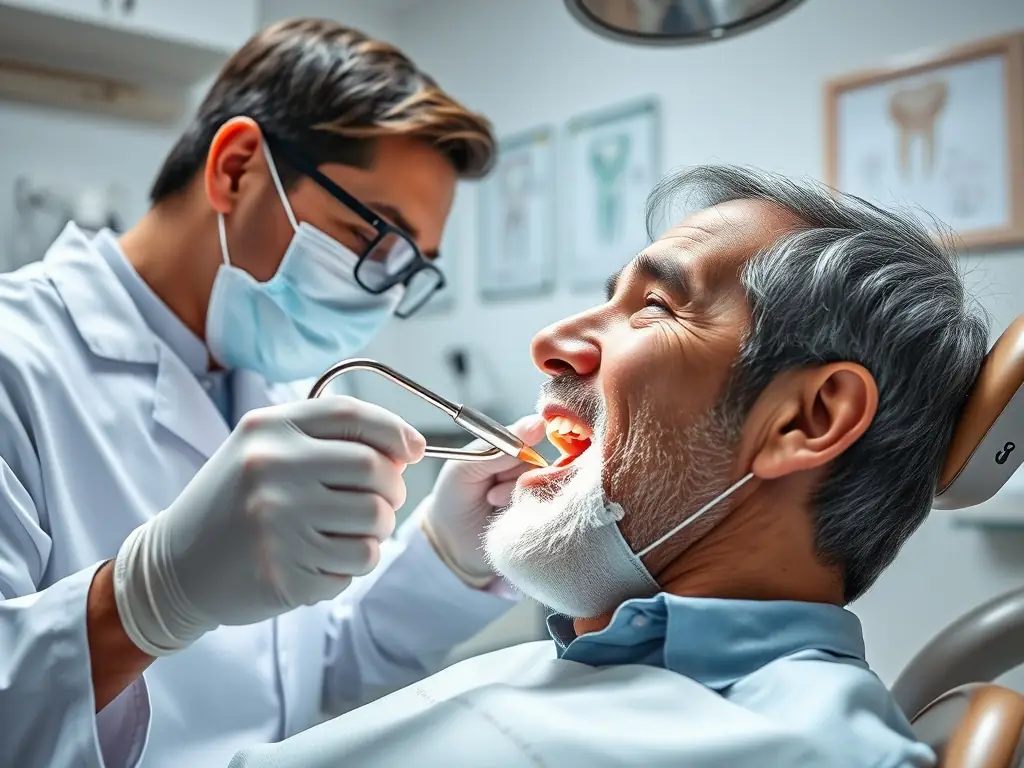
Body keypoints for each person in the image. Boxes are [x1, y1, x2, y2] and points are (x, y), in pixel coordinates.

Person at [228, 165, 988, 768]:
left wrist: (140, 611)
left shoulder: (797, 749)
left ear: (806, 419)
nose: (550, 341)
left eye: (655, 306)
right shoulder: (579, 672)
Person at [0, 18, 545, 768]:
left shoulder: (276, 383)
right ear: (235, 169)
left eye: (411, 265)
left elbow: (315, 670)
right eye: (371, 236)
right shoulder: (15, 364)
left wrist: (450, 551)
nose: (382, 294)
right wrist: (142, 601)